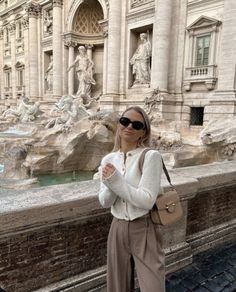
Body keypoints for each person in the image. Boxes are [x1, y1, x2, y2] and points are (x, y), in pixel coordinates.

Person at [98, 106, 165, 292]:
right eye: (124, 121)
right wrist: (112, 184)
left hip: (144, 227)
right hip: (117, 227)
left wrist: (115, 181)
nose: (129, 127)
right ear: (119, 124)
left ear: (143, 132)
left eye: (136, 125)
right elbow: (104, 201)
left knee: (153, 286)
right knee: (117, 286)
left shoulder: (151, 156)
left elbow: (147, 201)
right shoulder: (108, 159)